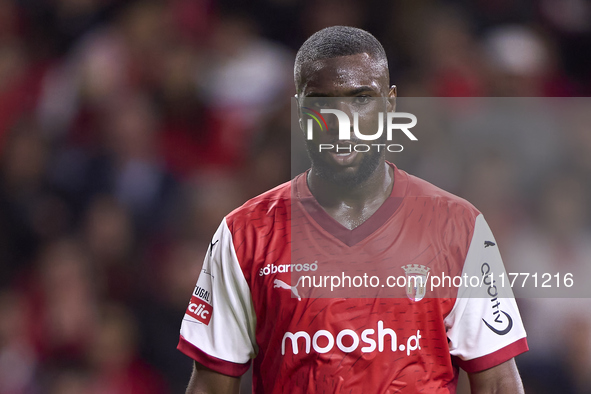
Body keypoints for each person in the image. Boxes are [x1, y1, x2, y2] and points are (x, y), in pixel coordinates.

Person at [178, 26, 528, 393]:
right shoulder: (245, 233)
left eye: (361, 99)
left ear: (390, 105)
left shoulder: (459, 226)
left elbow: (499, 381)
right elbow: (210, 384)